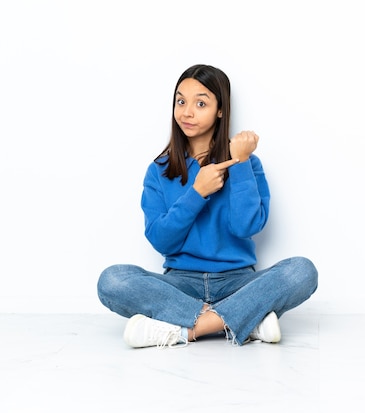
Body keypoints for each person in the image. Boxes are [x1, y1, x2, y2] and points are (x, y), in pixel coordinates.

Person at [97, 64, 318, 349]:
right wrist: (197, 193)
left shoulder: (247, 163)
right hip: (180, 285)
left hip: (238, 282)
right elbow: (162, 241)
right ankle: (244, 321)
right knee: (113, 280)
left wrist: (239, 164)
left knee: (301, 271)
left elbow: (246, 227)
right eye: (181, 101)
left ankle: (182, 330)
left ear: (220, 110)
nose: (187, 112)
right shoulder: (159, 170)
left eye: (201, 103)